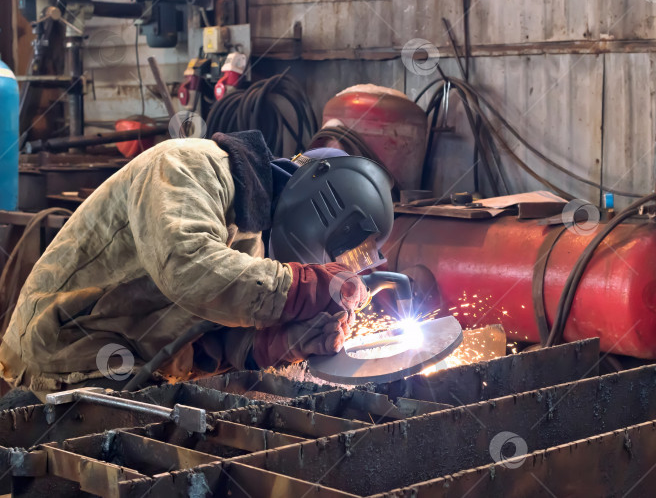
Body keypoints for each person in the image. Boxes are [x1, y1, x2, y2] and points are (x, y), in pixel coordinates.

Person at [0, 130, 394, 403]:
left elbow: (200, 331)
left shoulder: (253, 241)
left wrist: (274, 345)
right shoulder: (187, 166)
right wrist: (301, 287)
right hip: (61, 357)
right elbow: (188, 267)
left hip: (125, 370)